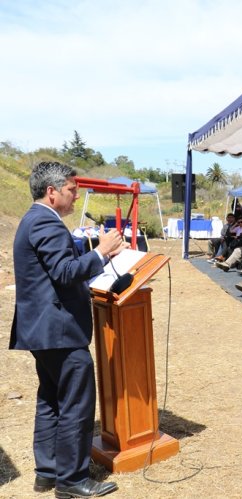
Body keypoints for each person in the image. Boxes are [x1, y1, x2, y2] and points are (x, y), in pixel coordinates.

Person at [11, 162, 124, 497]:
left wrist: (92, 251)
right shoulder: (46, 223)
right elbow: (63, 272)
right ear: (52, 192)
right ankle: (72, 481)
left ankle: (47, 472)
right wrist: (101, 252)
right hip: (59, 331)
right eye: (72, 190)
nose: (76, 196)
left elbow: (57, 262)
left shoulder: (35, 220)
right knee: (76, 404)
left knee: (51, 400)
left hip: (43, 330)